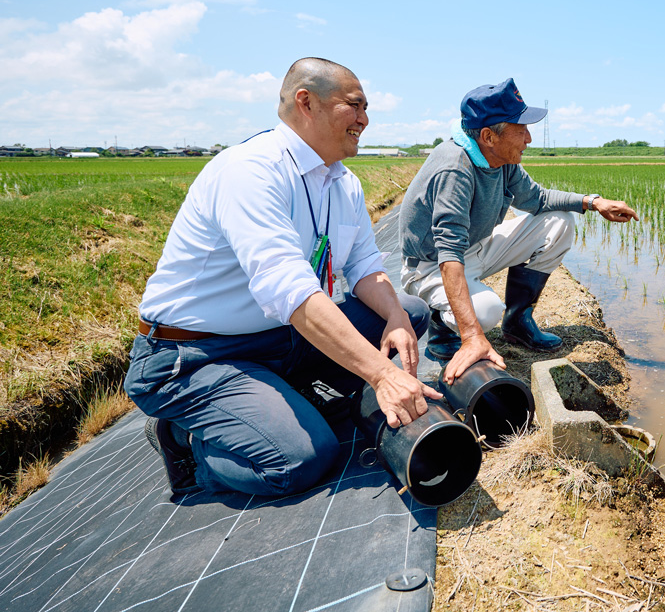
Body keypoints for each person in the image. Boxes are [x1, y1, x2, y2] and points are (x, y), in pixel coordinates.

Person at [125, 57, 439, 497]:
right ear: (306, 102)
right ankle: (184, 441)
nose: (365, 120)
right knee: (301, 460)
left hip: (278, 337)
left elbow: (365, 265)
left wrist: (396, 320)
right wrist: (381, 377)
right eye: (355, 106)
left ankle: (282, 395)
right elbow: (289, 290)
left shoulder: (343, 183)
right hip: (196, 355)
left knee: (408, 313)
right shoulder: (250, 171)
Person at [390, 78, 638, 384]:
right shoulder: (455, 170)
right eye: (520, 130)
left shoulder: (499, 158)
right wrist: (472, 338)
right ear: (488, 136)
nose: (529, 138)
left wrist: (593, 202)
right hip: (431, 265)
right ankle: (442, 326)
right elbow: (449, 255)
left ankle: (518, 321)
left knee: (559, 221)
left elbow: (536, 199)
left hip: (476, 248)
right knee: (486, 312)